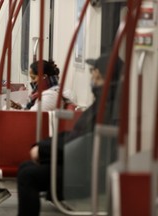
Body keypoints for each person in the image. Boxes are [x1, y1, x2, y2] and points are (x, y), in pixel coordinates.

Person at [16, 53, 123, 216]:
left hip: (89, 173)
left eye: (96, 76)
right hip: (81, 161)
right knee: (26, 167)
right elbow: (76, 135)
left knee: (28, 175)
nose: (92, 81)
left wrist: (44, 151)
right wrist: (44, 146)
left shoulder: (109, 107)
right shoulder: (103, 102)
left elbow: (85, 141)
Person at [0, 60, 73, 208]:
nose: (32, 81)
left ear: (43, 77)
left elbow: (31, 120)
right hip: (35, 135)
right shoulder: (44, 94)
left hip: (37, 140)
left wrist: (17, 112)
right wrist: (19, 108)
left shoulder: (50, 96)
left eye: (33, 77)